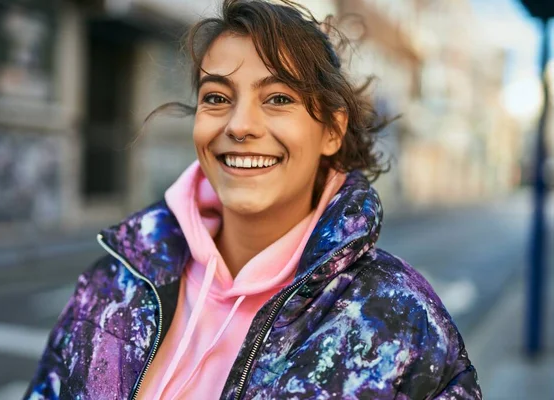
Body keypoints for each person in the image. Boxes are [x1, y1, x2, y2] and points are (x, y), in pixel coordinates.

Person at [24, 0, 481, 399]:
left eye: (278, 98)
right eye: (217, 97)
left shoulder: (399, 316)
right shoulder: (115, 282)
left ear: (332, 130)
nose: (240, 125)